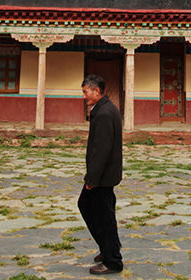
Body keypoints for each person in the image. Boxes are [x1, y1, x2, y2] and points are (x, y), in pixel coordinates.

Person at [78, 74, 124, 275]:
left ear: (96, 92)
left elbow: (102, 150)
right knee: (94, 209)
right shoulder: (105, 109)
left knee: (102, 215)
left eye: (85, 92)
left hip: (102, 178)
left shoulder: (105, 113)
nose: (84, 96)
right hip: (103, 176)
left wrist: (92, 180)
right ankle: (109, 248)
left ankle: (112, 260)